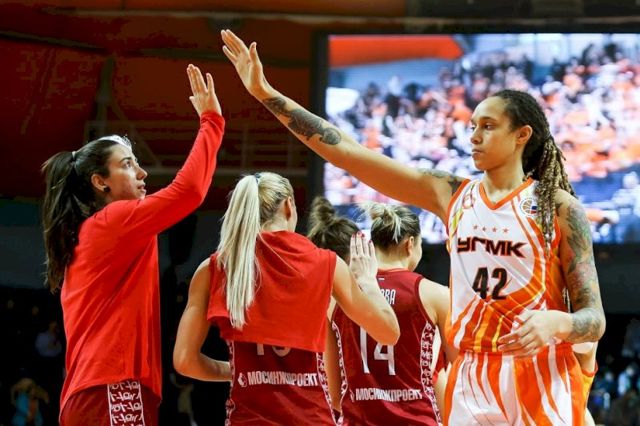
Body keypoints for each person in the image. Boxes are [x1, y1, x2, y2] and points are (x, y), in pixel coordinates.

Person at [221, 29, 606, 425]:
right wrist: (265, 93)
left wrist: (560, 322)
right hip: (472, 376)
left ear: (522, 135)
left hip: (540, 370)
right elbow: (347, 152)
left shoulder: (560, 208)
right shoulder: (451, 194)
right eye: (473, 125)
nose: (473, 136)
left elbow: (594, 318)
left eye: (488, 126)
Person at [41, 64, 225, 425]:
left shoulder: (99, 231)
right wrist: (212, 122)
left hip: (98, 393)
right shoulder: (114, 221)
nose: (142, 173)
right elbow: (189, 191)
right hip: (113, 388)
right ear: (100, 182)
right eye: (127, 165)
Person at [173, 172, 399, 425]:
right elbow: (388, 332)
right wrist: (368, 281)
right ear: (288, 205)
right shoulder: (326, 264)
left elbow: (185, 361)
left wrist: (237, 371)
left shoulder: (214, 268)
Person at [307, 197, 452, 424]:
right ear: (410, 244)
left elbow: (334, 395)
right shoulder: (436, 294)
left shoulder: (337, 299)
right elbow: (458, 372)